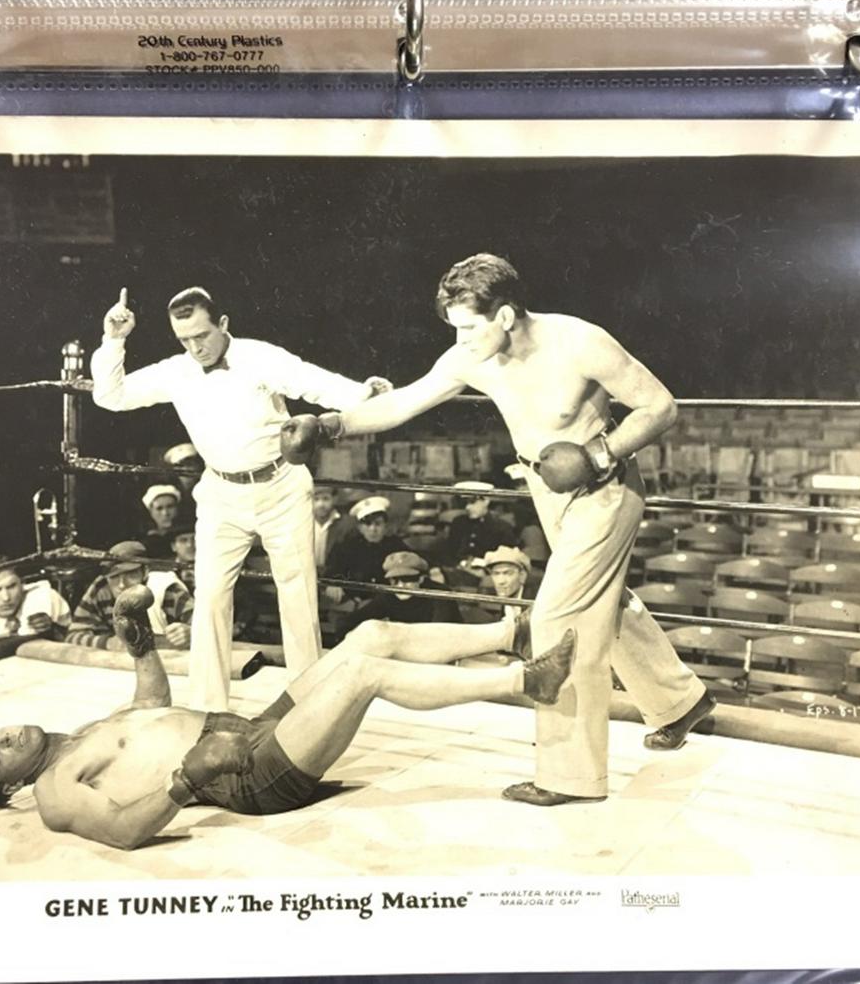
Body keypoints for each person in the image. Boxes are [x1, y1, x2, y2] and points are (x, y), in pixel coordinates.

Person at [281, 253, 712, 806]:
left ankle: (570, 778)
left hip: (605, 489)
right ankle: (680, 701)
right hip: (544, 488)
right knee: (602, 600)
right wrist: (329, 425)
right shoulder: (472, 357)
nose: (459, 339)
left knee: (559, 618)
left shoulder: (580, 342)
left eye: (467, 326)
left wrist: (599, 453)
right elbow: (403, 403)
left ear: (505, 316)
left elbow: (660, 406)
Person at [0, 584, 576, 850]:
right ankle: (527, 680)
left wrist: (140, 645)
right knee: (364, 675)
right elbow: (119, 832)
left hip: (249, 730)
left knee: (370, 636)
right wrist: (185, 782)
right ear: (10, 784)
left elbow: (149, 704)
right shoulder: (57, 793)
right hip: (248, 773)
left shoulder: (80, 734)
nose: (2, 737)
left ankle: (509, 630)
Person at [91, 286, 392, 711]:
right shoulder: (176, 371)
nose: (195, 347)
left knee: (297, 592)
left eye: (202, 335)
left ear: (223, 324)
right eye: (185, 340)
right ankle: (207, 710)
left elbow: (313, 381)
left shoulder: (261, 357)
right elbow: (110, 396)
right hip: (220, 494)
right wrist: (114, 339)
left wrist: (363, 394)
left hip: (280, 486)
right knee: (211, 595)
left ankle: (308, 706)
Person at [65, 541, 193, 650]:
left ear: (145, 571)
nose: (121, 585)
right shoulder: (101, 588)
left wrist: (190, 633)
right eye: (114, 577)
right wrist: (107, 643)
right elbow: (72, 637)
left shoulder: (167, 589)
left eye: (130, 574)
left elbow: (208, 629)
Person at [344, 550, 462, 631]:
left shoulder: (439, 594)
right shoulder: (389, 596)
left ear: (421, 579)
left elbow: (437, 633)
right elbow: (350, 621)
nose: (400, 585)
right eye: (394, 580)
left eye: (407, 579)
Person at [322, 496, 406, 601]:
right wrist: (332, 585)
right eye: (367, 524)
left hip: (388, 605)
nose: (373, 529)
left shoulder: (396, 545)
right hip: (352, 605)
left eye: (378, 524)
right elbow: (330, 573)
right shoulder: (346, 547)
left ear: (385, 525)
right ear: (360, 528)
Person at [438, 480, 517, 570]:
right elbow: (448, 552)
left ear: (486, 501)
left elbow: (507, 561)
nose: (467, 507)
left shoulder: (502, 528)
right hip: (458, 571)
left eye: (472, 502)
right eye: (465, 503)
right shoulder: (458, 523)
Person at [311, 484, 357, 570]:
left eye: (325, 499)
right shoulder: (305, 522)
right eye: (316, 499)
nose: (321, 504)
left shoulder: (345, 524)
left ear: (334, 499)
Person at [141, 483, 183, 559]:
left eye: (170, 507)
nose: (165, 513)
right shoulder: (148, 542)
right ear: (151, 512)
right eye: (159, 508)